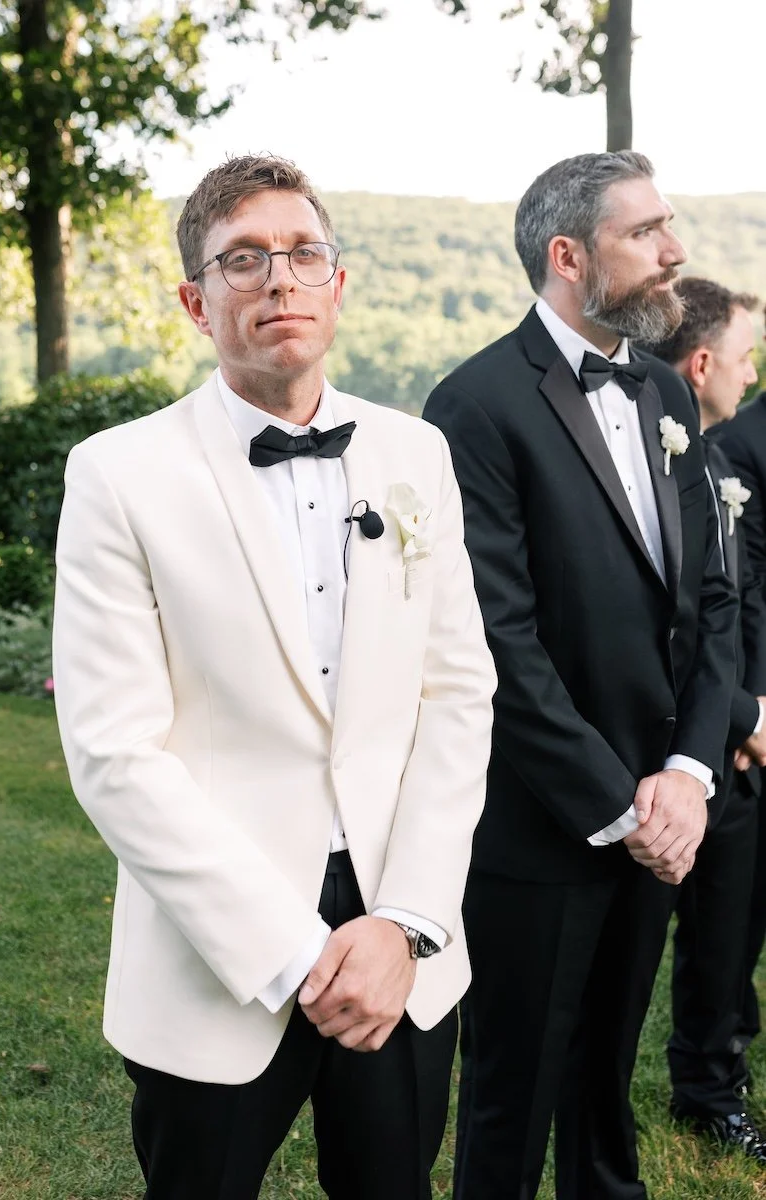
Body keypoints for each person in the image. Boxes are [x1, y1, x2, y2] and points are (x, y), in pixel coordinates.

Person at [52, 154, 496, 1200]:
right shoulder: (119, 473)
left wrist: (407, 921)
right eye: (243, 260)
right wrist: (294, 952)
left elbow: (456, 695)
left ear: (338, 283)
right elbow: (114, 753)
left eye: (303, 254)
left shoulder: (417, 455)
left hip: (400, 943)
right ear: (195, 302)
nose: (279, 280)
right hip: (217, 948)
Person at [423, 151, 738, 1200]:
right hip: (543, 822)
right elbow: (497, 640)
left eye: (668, 225)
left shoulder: (664, 390)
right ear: (568, 256)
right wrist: (618, 805)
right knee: (511, 1096)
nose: (674, 251)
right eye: (646, 232)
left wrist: (688, 774)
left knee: (606, 1082)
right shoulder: (475, 405)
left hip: (662, 809)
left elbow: (711, 603)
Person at [640, 276, 766, 1161]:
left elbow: (738, 604)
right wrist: (743, 713)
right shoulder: (691, 461)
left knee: (731, 921)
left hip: (737, 729)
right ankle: (698, 1084)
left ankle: (715, 1079)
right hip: (673, 743)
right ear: (701, 363)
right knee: (687, 926)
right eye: (745, 356)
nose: (750, 373)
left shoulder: (718, 464)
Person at [713, 301, 766, 1084]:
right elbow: (744, 600)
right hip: (755, 720)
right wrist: (749, 712)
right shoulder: (740, 448)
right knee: (732, 919)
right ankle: (713, 1074)